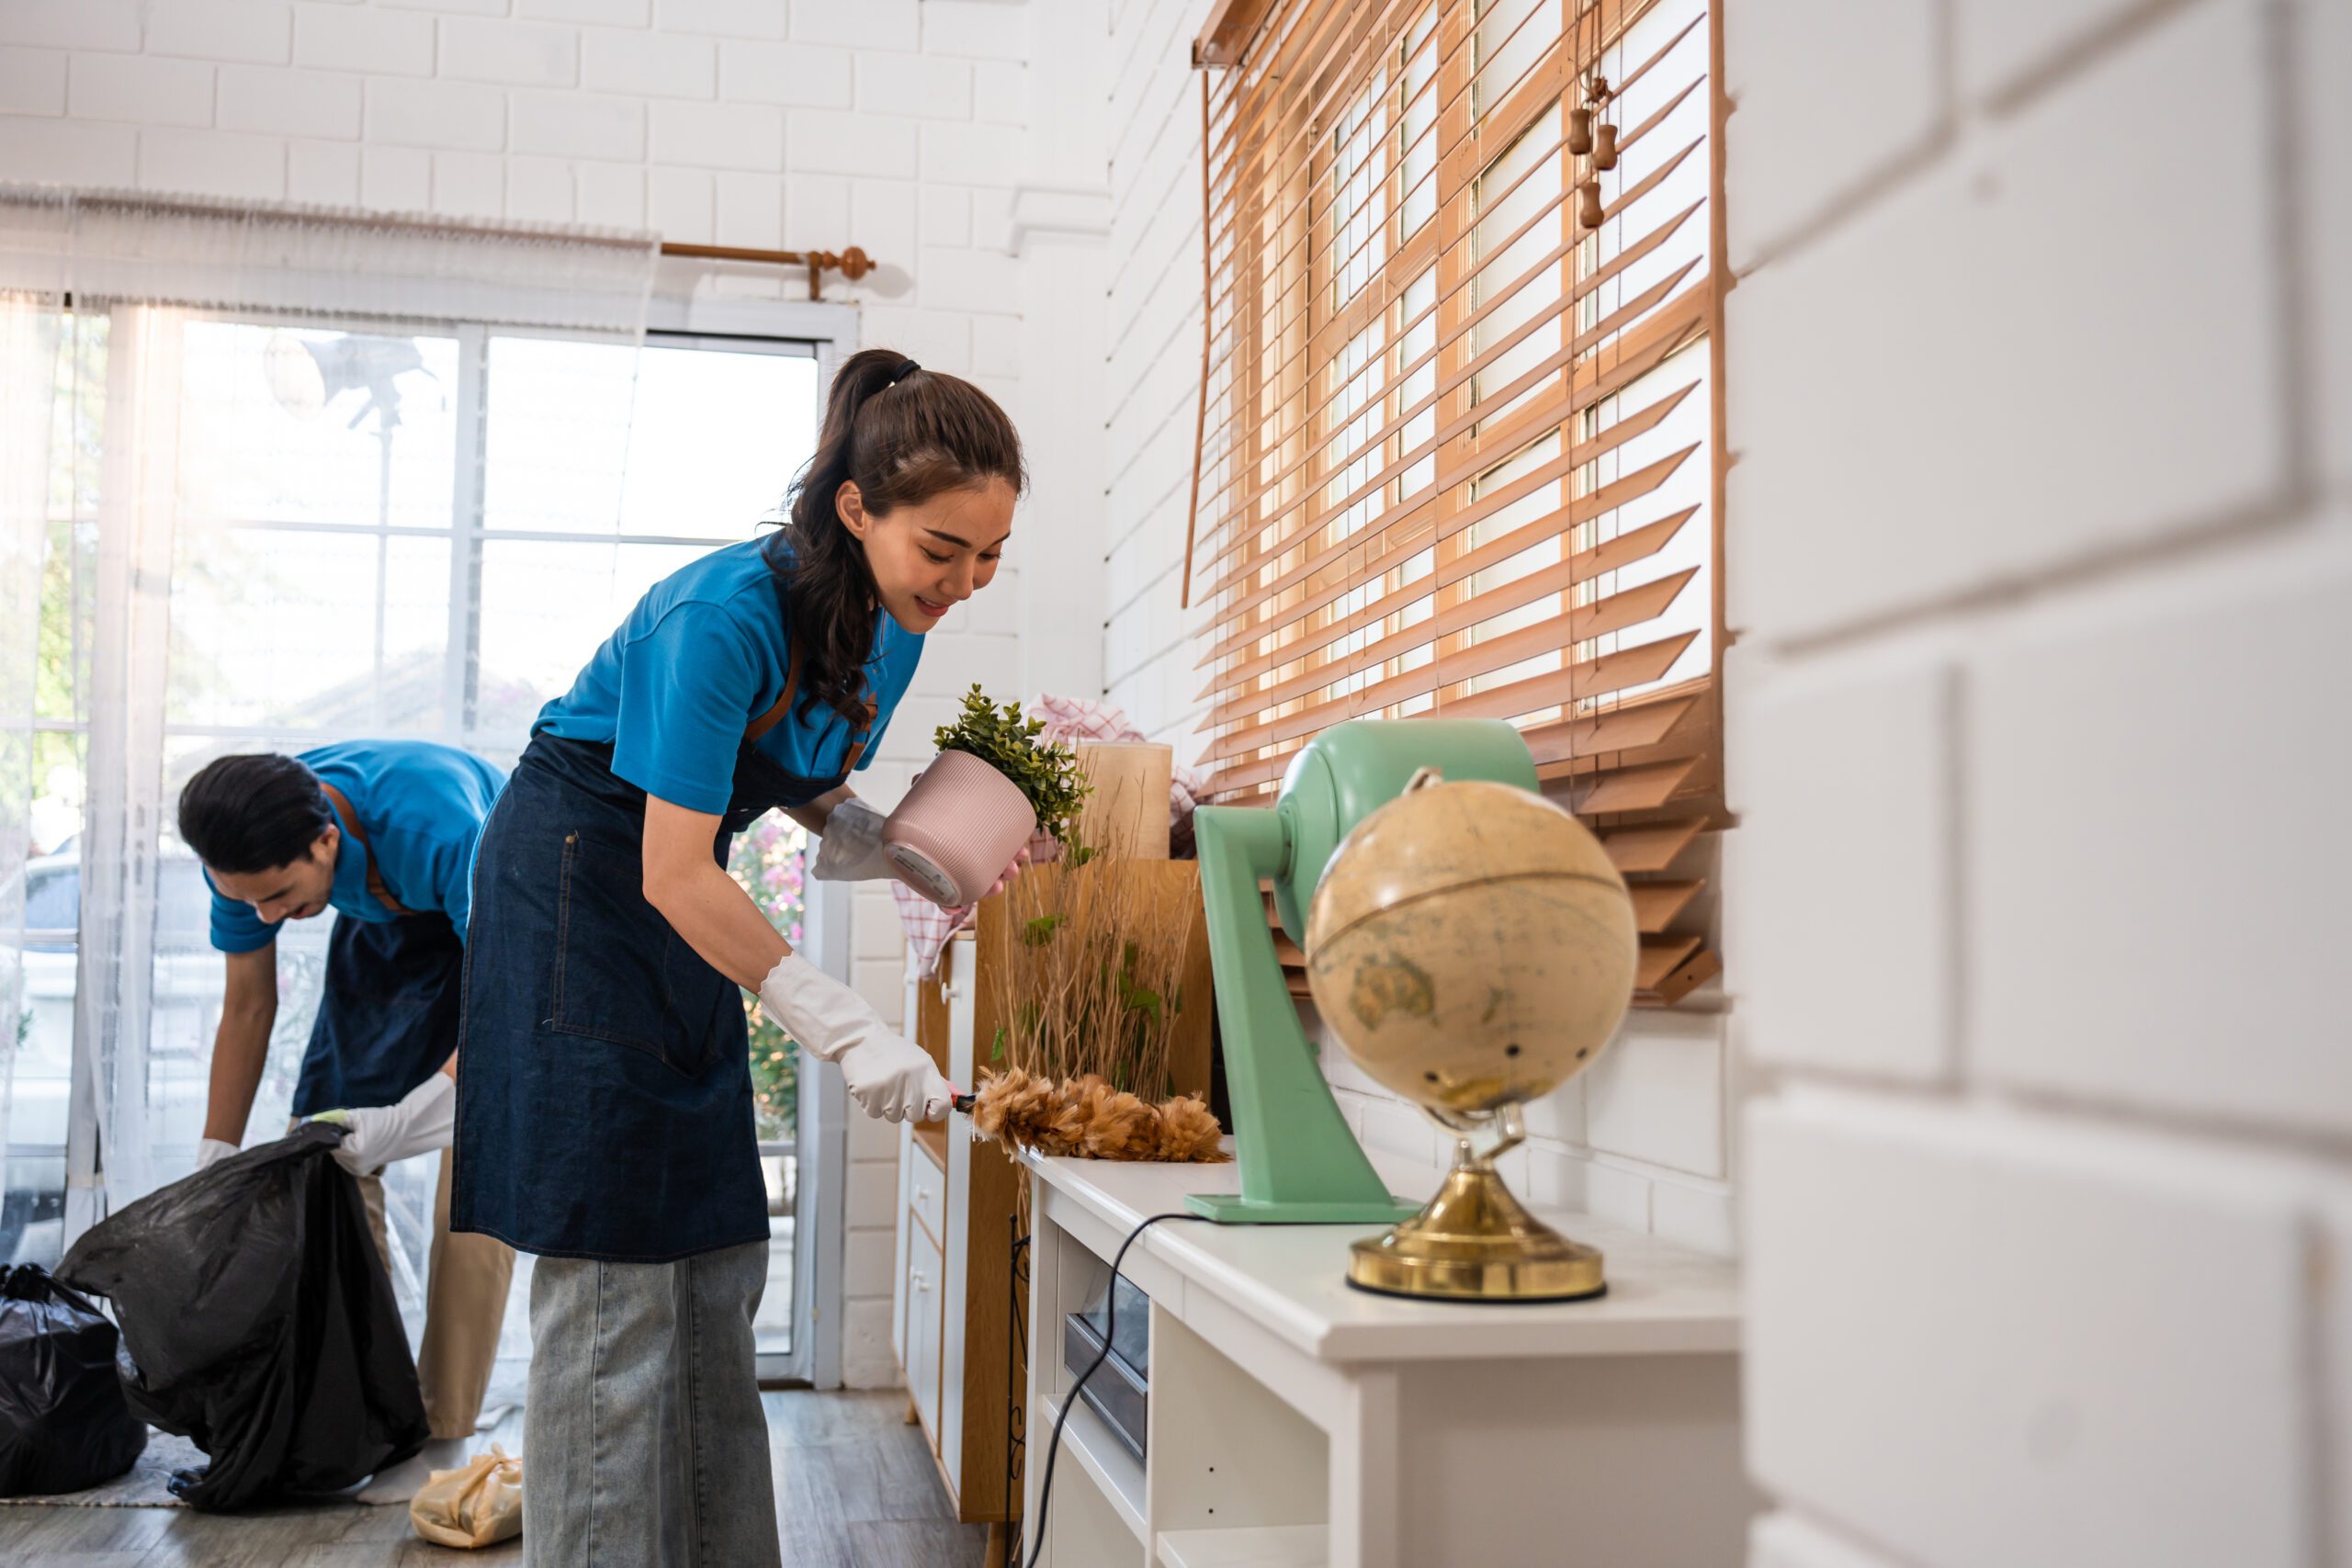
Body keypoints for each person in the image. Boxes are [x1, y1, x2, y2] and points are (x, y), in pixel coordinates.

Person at [451, 349, 1026, 1567]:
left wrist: (886, 840)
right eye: (944, 549)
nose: (966, 581)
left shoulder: (895, 620)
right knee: (618, 1269)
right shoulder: (719, 616)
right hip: (577, 887)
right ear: (858, 509)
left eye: (990, 555)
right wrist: (850, 1022)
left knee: (712, 1258)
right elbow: (669, 866)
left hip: (676, 896)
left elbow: (800, 772)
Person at [177, 740, 514, 1500]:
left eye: (279, 896)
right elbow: (248, 1005)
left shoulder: (438, 828)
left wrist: (424, 1112)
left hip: (494, 920)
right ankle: (371, 1406)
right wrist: (216, 1150)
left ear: (326, 839)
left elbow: (506, 989)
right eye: (248, 901)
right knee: (322, 1155)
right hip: (381, 926)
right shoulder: (241, 856)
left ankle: (442, 1425)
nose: (265, 916)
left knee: (480, 1170)